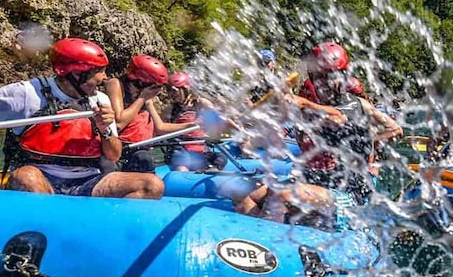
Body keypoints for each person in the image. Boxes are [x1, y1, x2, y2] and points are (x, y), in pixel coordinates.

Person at [0, 37, 164, 198]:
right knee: (26, 178)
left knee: (152, 185)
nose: (104, 78)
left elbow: (114, 156)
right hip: (41, 176)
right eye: (98, 72)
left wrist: (106, 129)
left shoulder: (99, 100)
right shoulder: (26, 93)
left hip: (88, 181)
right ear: (75, 73)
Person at [234, 42, 402, 228]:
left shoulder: (358, 105)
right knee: (244, 194)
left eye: (329, 77)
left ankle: (268, 243)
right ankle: (261, 241)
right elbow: (285, 129)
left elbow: (338, 117)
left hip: (347, 195)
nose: (323, 84)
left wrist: (302, 104)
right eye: (318, 78)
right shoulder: (311, 111)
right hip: (314, 184)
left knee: (282, 196)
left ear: (343, 76)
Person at [149, 72, 226, 172]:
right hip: (180, 147)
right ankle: (183, 176)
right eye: (169, 90)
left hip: (199, 147)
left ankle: (213, 170)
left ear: (185, 89)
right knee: (182, 162)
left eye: (174, 90)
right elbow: (159, 129)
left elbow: (218, 117)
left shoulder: (200, 103)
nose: (171, 94)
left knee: (221, 158)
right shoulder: (169, 109)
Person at [104, 54, 169, 173]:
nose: (158, 91)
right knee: (143, 158)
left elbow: (160, 127)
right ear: (141, 83)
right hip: (124, 151)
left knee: (145, 158)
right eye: (156, 87)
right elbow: (119, 123)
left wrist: (192, 125)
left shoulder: (145, 97)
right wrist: (142, 98)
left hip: (142, 149)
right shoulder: (116, 84)